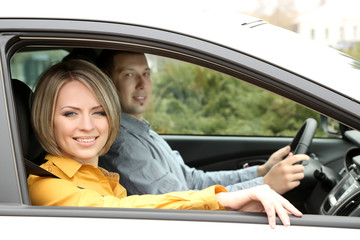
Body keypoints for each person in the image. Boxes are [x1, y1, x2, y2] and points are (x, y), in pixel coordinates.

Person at [27, 59, 302, 228]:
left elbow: (182, 184)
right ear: (46, 119)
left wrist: (260, 173)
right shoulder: (44, 185)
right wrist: (226, 198)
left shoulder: (102, 177)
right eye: (70, 113)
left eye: (98, 112)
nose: (87, 125)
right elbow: (116, 212)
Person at [97, 50, 310, 196]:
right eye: (129, 74)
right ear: (108, 83)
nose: (142, 84)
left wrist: (261, 172)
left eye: (146, 73)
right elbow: (182, 203)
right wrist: (264, 185)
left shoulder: (142, 131)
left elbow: (192, 181)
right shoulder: (122, 144)